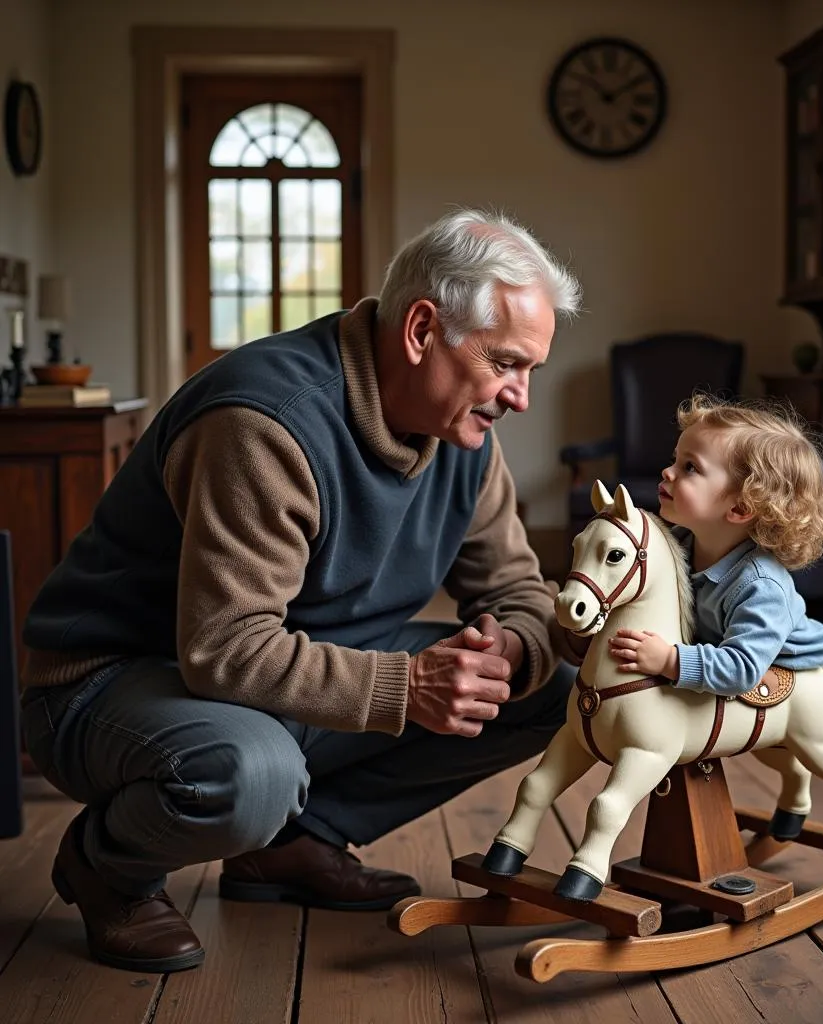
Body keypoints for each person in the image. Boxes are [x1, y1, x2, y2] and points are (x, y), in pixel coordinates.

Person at [19, 209, 582, 974]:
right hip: (109, 684)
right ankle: (106, 867)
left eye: (530, 371)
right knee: (251, 776)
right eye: (507, 364)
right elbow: (225, 649)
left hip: (277, 681)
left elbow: (516, 584)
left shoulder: (464, 436)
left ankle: (290, 847)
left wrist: (511, 648)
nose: (519, 396)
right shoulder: (266, 422)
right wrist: (410, 684)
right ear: (421, 331)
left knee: (547, 691)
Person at [608, 394, 823, 693]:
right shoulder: (679, 543)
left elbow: (741, 669)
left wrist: (670, 659)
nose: (668, 472)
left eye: (690, 467)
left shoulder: (761, 586)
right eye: (675, 460)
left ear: (740, 509)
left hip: (778, 670)